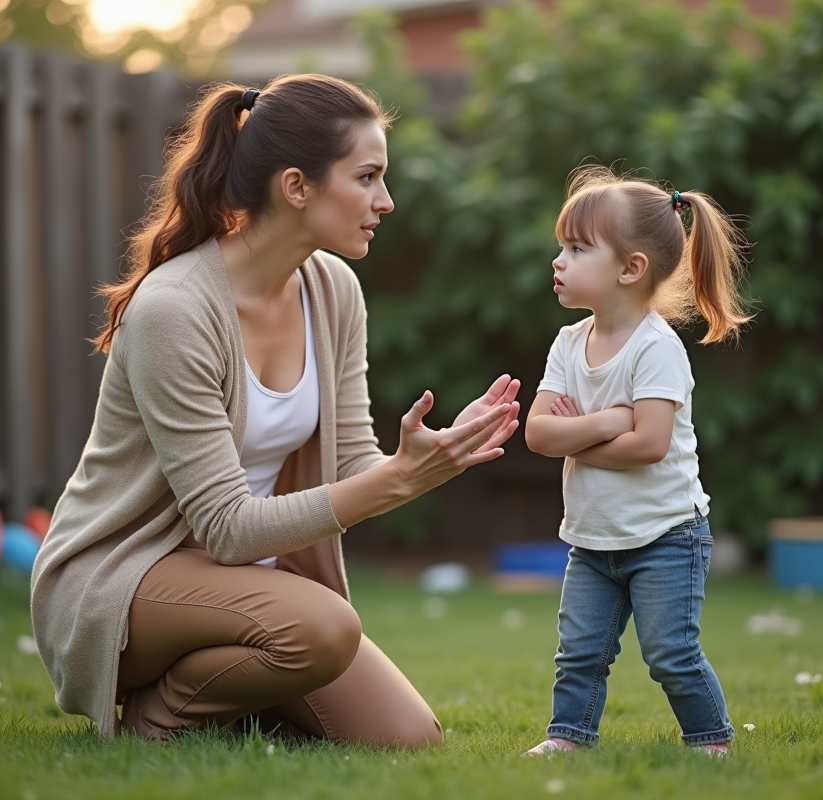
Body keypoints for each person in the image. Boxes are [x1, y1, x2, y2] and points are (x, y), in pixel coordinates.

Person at [30, 75, 521, 746]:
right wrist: (395, 481)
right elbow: (227, 528)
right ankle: (159, 716)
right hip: (126, 580)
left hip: (248, 586)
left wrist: (426, 457)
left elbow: (350, 462)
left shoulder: (334, 290)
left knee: (409, 737)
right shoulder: (174, 311)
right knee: (324, 628)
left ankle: (231, 697)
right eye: (368, 176)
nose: (387, 200)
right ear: (296, 187)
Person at [522, 165, 748, 757]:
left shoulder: (657, 349)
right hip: (593, 540)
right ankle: (568, 736)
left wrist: (573, 436)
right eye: (561, 247)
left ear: (630, 268)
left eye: (577, 248)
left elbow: (649, 444)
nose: (559, 260)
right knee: (578, 651)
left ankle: (709, 740)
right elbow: (538, 434)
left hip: (666, 535)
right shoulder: (569, 343)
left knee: (670, 652)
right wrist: (601, 423)